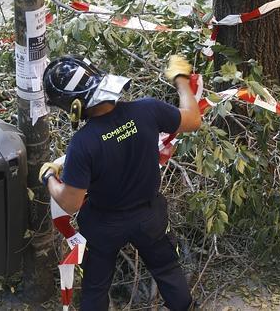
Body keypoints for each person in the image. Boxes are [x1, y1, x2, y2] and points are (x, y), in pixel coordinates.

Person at [39, 55, 201, 310]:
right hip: (149, 216)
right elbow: (193, 119)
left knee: (95, 286)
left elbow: (71, 203)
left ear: (74, 106)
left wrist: (49, 177)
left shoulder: (82, 144)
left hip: (104, 225)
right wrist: (181, 79)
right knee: (167, 269)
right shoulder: (147, 109)